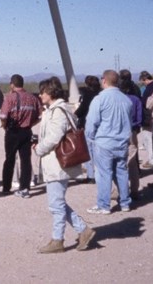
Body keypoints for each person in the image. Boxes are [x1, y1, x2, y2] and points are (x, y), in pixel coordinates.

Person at [34, 78, 95, 253]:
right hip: (56, 164)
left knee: (55, 204)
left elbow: (54, 137)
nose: (40, 95)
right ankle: (82, 230)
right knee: (58, 202)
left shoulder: (58, 111)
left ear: (51, 93)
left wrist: (39, 148)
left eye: (43, 92)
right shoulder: (55, 109)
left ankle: (59, 239)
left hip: (57, 164)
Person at [85, 70, 133, 214]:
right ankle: (125, 203)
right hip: (122, 141)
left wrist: (91, 137)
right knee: (122, 172)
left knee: (103, 173)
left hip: (104, 142)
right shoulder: (126, 100)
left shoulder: (100, 99)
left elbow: (91, 122)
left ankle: (103, 205)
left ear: (104, 80)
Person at [0, 74, 42, 198]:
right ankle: (25, 188)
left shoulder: (9, 98)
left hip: (13, 132)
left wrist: (5, 126)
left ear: (12, 84)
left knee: (9, 159)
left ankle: (6, 187)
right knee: (26, 160)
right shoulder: (32, 98)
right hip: (26, 131)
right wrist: (30, 123)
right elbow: (40, 116)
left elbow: (3, 116)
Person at [119, 75, 143, 199]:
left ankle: (120, 191)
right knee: (132, 163)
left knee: (119, 164)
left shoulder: (117, 100)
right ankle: (135, 190)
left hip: (117, 133)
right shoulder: (135, 100)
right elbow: (139, 118)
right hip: (132, 132)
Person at [74, 75, 101, 182]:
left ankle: (91, 175)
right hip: (100, 125)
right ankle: (99, 173)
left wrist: (75, 114)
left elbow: (83, 108)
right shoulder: (100, 94)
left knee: (88, 150)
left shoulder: (88, 95)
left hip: (88, 124)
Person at [138, 71, 153, 168]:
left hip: (148, 117)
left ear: (145, 79)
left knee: (148, 139)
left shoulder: (149, 88)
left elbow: (145, 103)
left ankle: (152, 160)